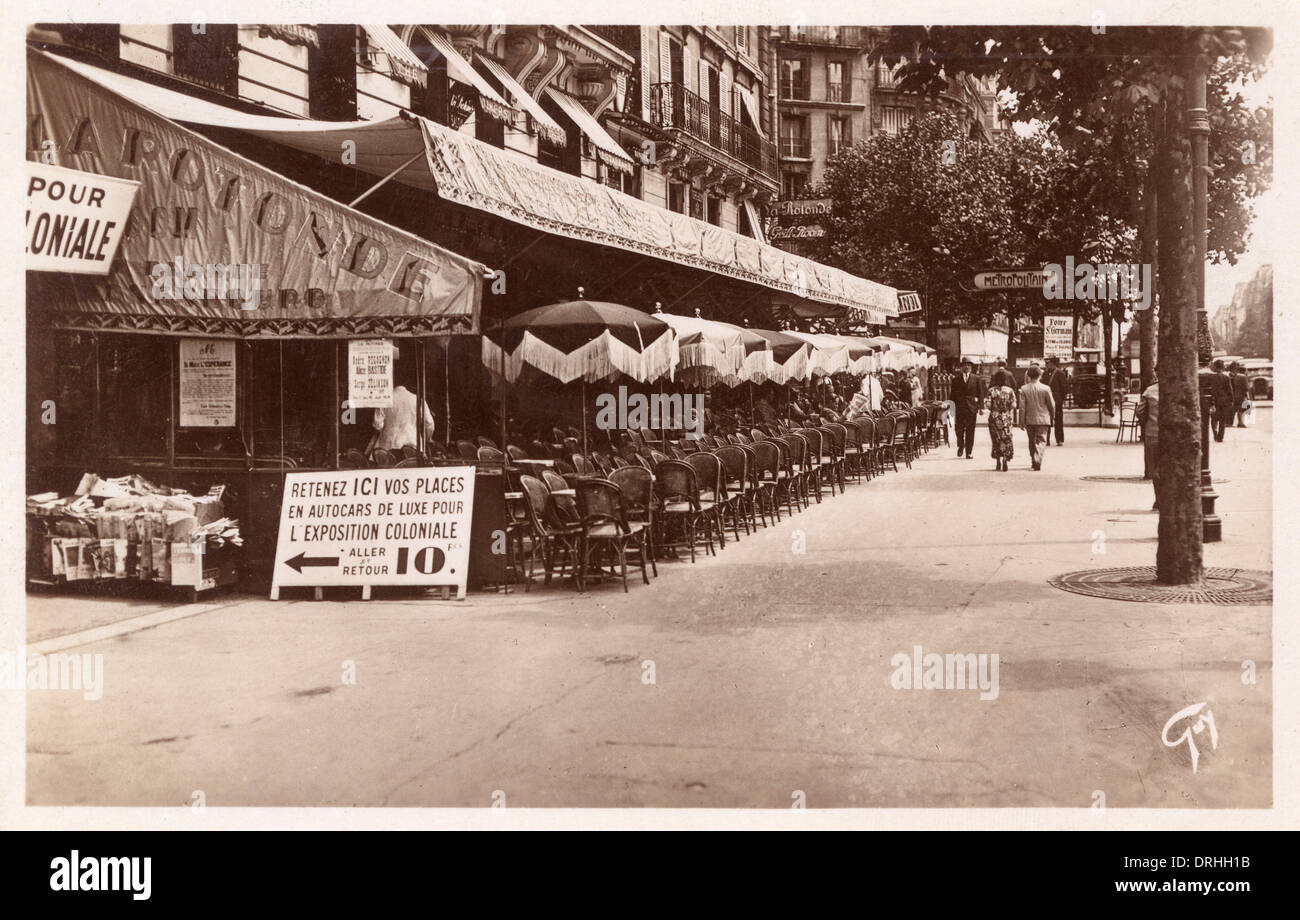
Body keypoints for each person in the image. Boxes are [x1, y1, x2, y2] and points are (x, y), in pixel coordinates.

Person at [1018, 366, 1056, 471]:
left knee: (1031, 440)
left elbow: (1022, 407)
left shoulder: (1023, 389)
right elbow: (1052, 405)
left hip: (1029, 419)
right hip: (1043, 419)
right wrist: (1053, 416)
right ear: (1040, 375)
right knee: (1041, 440)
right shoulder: (1046, 388)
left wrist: (1021, 421)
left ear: (1029, 376)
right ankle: (1037, 459)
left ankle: (1033, 459)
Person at [949, 359, 986, 459]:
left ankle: (969, 451)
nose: (967, 367)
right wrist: (951, 409)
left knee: (970, 430)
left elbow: (980, 393)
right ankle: (960, 446)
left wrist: (981, 407)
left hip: (971, 407)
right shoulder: (956, 379)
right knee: (959, 429)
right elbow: (952, 395)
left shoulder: (976, 378)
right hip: (959, 407)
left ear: (971, 367)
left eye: (969, 365)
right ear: (961, 367)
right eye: (965, 365)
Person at [1138, 379, 1160, 510]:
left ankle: (1159, 500)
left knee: (1155, 468)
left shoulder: (1149, 391)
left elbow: (1140, 412)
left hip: (1153, 433)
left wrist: (1146, 424)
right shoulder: (1177, 389)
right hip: (1172, 436)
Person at [987, 378, 1018, 471]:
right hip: (1006, 417)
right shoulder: (1009, 390)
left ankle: (997, 462)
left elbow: (988, 405)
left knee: (996, 439)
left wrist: (994, 409)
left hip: (994, 417)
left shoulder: (991, 390)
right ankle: (1005, 458)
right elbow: (1014, 405)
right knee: (1006, 438)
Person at [1044, 357, 1070, 446]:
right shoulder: (1045, 373)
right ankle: (1046, 440)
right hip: (1047, 399)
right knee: (1046, 420)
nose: (1047, 365)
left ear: (1053, 364)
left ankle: (1059, 439)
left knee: (1058, 420)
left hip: (1057, 400)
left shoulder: (1060, 374)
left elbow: (1065, 388)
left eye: (1048, 363)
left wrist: (1061, 398)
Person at [1208, 359, 1234, 441]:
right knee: (1222, 420)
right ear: (1222, 367)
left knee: (1214, 418)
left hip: (1214, 401)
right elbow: (1230, 390)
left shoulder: (1211, 377)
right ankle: (1220, 437)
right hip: (1224, 401)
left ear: (1215, 367)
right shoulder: (1226, 377)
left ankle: (1215, 433)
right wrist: (1231, 400)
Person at [1230, 362, 1250, 427]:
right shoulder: (1243, 377)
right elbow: (1246, 388)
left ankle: (1230, 422)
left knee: (1234, 409)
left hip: (1232, 395)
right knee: (1241, 409)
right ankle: (1240, 422)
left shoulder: (1231, 376)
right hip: (1241, 395)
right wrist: (1248, 397)